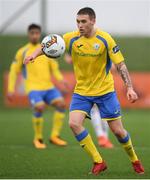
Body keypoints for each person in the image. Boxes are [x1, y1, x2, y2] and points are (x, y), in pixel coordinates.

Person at [24, 8, 144, 175]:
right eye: (78, 22)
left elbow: (120, 65)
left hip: (105, 91)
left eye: (83, 22)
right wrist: (33, 55)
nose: (80, 25)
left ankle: (135, 160)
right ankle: (98, 161)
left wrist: (129, 88)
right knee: (73, 124)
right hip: (82, 91)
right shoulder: (71, 38)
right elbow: (48, 45)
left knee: (118, 131)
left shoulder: (105, 39)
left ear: (93, 21)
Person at [8, 24, 68, 149]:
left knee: (61, 104)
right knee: (40, 107)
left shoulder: (47, 49)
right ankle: (38, 138)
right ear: (28, 34)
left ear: (40, 34)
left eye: (37, 33)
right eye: (32, 33)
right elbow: (14, 71)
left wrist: (61, 80)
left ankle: (55, 136)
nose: (35, 35)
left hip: (48, 87)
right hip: (33, 88)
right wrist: (10, 89)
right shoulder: (22, 52)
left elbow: (54, 69)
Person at [65, 54, 113, 148]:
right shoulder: (83, 44)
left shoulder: (101, 44)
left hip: (102, 84)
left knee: (103, 111)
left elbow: (70, 59)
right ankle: (102, 137)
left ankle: (104, 137)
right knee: (97, 109)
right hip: (91, 84)